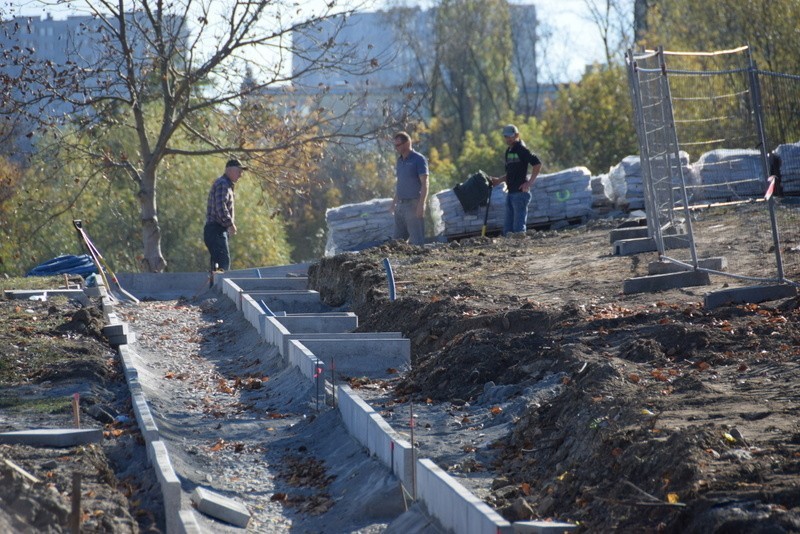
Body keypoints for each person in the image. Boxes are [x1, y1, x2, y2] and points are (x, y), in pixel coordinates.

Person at [491, 124, 542, 236]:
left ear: (517, 135)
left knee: (518, 230)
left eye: (510, 136)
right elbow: (511, 173)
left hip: (520, 194)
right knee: (507, 230)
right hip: (510, 193)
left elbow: (537, 164)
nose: (508, 139)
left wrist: (529, 183)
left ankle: (521, 251)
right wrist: (499, 180)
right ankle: (509, 252)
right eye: (506, 137)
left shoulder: (522, 149)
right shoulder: (508, 151)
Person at [204, 158, 246, 272]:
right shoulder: (223, 184)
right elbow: (220, 207)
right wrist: (230, 224)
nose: (241, 175)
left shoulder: (225, 184)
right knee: (223, 262)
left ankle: (214, 287)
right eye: (239, 171)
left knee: (217, 264)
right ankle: (220, 289)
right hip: (216, 230)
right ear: (230, 170)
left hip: (215, 230)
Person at [391, 131, 429, 245]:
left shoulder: (419, 159)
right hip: (400, 206)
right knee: (397, 243)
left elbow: (425, 183)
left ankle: (420, 262)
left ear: (407, 143)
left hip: (413, 205)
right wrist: (394, 202)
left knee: (417, 242)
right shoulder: (399, 161)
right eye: (395, 145)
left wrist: (421, 204)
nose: (396, 148)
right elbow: (402, 183)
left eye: (398, 145)